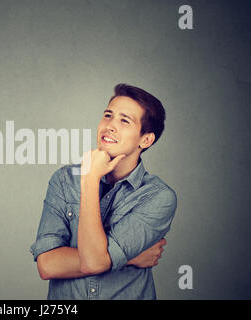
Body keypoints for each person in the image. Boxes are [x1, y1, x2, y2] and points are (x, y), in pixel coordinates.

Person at [30, 83, 177, 299]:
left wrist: (90, 179)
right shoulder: (64, 180)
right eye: (108, 115)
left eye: (124, 120)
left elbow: (94, 263)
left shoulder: (158, 196)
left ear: (145, 139)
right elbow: (47, 265)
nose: (109, 125)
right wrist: (128, 257)